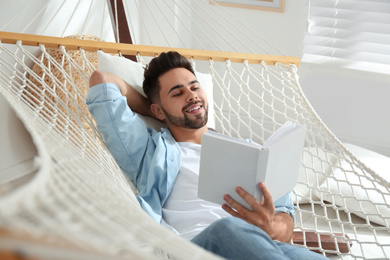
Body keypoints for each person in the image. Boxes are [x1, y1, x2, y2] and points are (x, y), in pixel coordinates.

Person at [87, 51, 328, 260]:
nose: (191, 96)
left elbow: (285, 223)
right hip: (196, 249)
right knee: (229, 229)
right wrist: (154, 111)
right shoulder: (149, 151)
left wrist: (270, 226)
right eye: (177, 93)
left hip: (264, 246)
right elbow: (102, 81)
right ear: (157, 109)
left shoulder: (253, 152)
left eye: (194, 87)